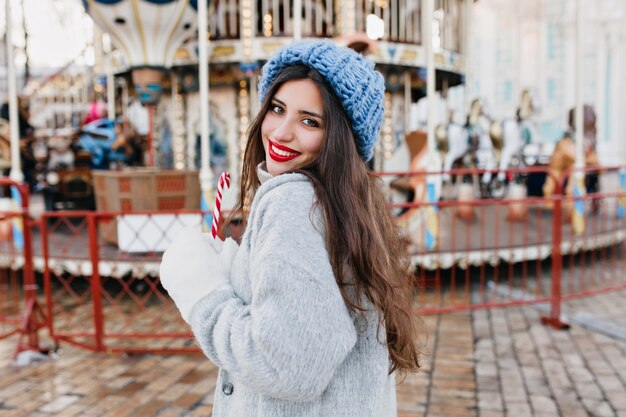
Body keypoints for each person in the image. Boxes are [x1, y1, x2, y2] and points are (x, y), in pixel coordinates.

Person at [159, 40, 421, 417]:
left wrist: (204, 294)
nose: (281, 133)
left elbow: (289, 366)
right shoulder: (352, 204)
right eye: (278, 109)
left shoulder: (294, 202)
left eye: (309, 121)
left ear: (340, 139)